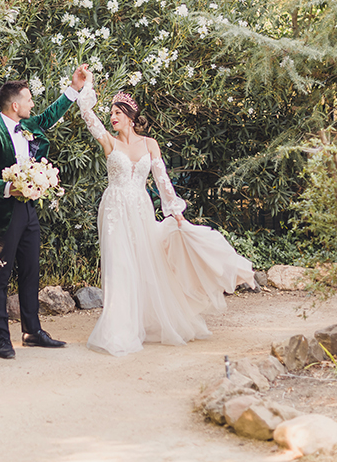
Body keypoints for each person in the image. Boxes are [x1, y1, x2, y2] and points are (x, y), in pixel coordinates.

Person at [76, 77, 255, 357]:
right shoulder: (109, 142)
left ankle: (146, 321)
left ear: (131, 118)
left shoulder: (150, 144)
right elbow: (88, 116)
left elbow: (162, 181)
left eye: (117, 113)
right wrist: (85, 88)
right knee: (119, 264)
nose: (112, 117)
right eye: (111, 113)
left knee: (145, 262)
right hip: (114, 209)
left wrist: (175, 212)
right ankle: (119, 328)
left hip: (141, 208)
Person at [0, 67, 88, 359]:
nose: (33, 104)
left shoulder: (28, 125)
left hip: (29, 210)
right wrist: (7, 188)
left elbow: (49, 116)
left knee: (31, 272)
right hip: (4, 213)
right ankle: (2, 340)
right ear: (15, 105)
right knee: (0, 276)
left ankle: (32, 332)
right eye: (29, 100)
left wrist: (74, 88)